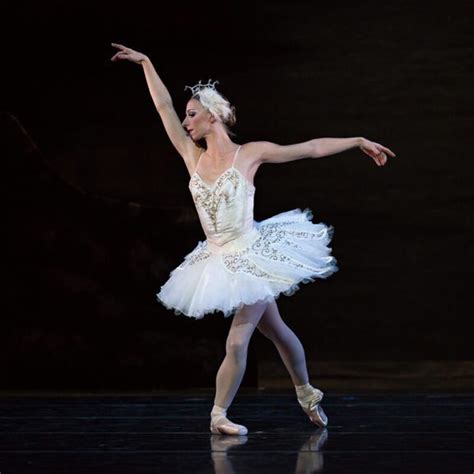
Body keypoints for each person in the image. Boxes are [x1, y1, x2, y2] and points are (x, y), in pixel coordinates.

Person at [110, 43, 396, 435]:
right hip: (217, 257)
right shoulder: (191, 157)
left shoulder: (249, 154)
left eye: (193, 115)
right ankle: (307, 392)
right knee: (277, 331)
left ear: (213, 116)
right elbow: (163, 108)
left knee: (238, 340)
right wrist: (146, 63)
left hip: (253, 254)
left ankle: (218, 415)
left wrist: (357, 140)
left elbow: (309, 149)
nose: (187, 122)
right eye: (186, 116)